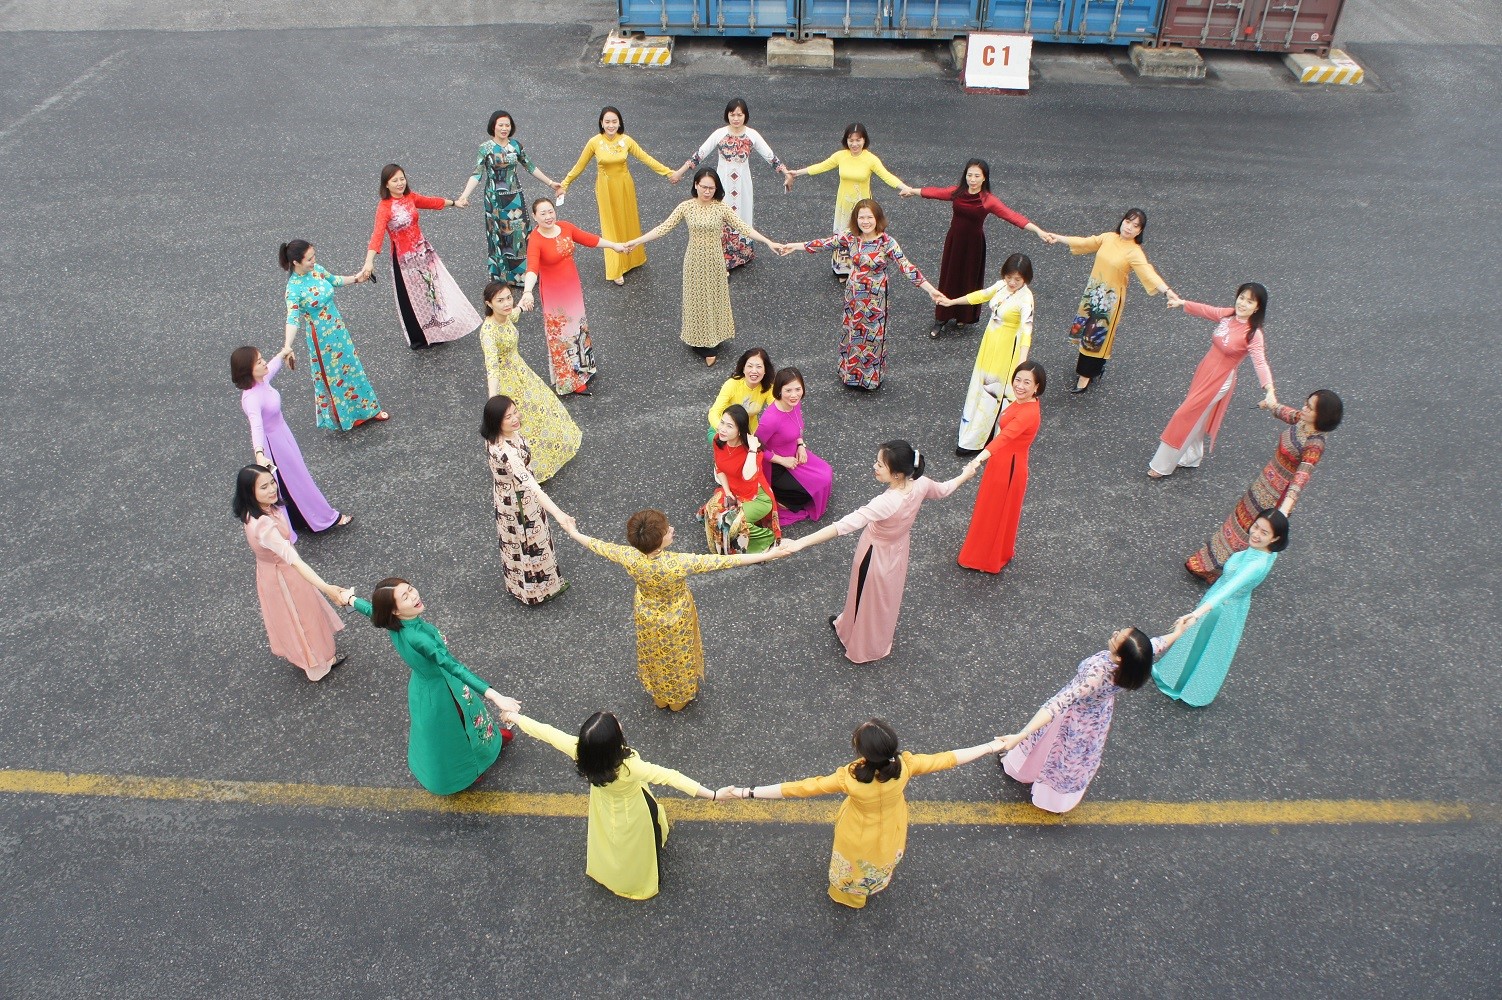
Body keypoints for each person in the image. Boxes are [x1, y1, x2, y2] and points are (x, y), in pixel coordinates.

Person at [727, 719, 1006, 909]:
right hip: (893, 823)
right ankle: (872, 886)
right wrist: (993, 746)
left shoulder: (850, 779)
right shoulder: (906, 766)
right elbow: (949, 758)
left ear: (863, 752)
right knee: (881, 858)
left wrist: (746, 792)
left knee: (852, 867)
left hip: (857, 832)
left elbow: (798, 788)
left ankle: (849, 898)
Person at [560, 509, 786, 710]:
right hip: (676, 617)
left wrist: (573, 532)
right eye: (667, 530)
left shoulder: (629, 556)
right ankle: (678, 699)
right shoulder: (677, 563)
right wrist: (768, 555)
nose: (672, 530)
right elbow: (723, 562)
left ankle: (659, 697)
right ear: (658, 542)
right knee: (678, 656)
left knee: (653, 652)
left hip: (646, 612)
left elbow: (598, 546)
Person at [781, 441, 984, 663]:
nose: (874, 467)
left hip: (874, 554)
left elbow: (843, 525)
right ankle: (873, 640)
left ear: (897, 474)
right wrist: (965, 475)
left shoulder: (886, 502)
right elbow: (944, 490)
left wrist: (800, 543)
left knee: (863, 595)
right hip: (898, 549)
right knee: (885, 598)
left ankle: (857, 643)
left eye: (880, 464)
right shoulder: (921, 484)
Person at [499, 709, 733, 900]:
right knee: (637, 843)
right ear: (613, 743)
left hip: (603, 804)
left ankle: (615, 874)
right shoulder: (629, 767)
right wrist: (713, 795)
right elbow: (672, 777)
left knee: (614, 841)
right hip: (632, 809)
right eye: (616, 724)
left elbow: (548, 733)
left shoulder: (581, 751)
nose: (618, 721)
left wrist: (514, 717)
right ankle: (638, 881)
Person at [997, 620, 1189, 813]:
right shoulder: (1134, 662)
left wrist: (1022, 734)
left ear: (1119, 657)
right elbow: (1156, 645)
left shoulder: (1096, 675)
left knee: (1048, 743)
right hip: (1095, 718)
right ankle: (1055, 799)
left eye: (1118, 636)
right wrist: (1178, 632)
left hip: (1073, 716)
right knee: (1070, 758)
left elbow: (1058, 703)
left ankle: (1024, 769)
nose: (1115, 632)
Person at [351, 578, 519, 794]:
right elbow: (454, 667)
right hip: (445, 691)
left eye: (410, 589)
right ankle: (473, 766)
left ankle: (479, 754)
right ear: (395, 610)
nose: (414, 596)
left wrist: (350, 599)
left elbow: (371, 610)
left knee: (447, 732)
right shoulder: (420, 638)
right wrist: (495, 696)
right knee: (462, 724)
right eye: (405, 597)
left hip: (425, 688)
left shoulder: (394, 623)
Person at [625, 168, 782, 366]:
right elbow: (663, 227)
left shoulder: (721, 208)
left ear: (716, 189)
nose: (707, 191)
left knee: (715, 297)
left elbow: (743, 227)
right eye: (704, 187)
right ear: (696, 185)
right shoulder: (686, 207)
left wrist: (768, 241)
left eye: (711, 188)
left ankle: (714, 337)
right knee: (696, 299)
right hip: (694, 261)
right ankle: (701, 340)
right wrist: (637, 241)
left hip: (715, 261)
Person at [778, 199, 940, 391]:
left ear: (877, 218)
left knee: (873, 337)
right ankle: (849, 374)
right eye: (861, 217)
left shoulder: (887, 243)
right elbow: (825, 243)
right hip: (854, 296)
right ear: (856, 219)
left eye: (869, 217)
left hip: (876, 299)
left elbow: (907, 267)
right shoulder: (850, 237)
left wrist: (930, 289)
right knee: (852, 333)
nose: (865, 222)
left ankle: (870, 379)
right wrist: (795, 246)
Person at [1185, 389, 1342, 582]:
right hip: (1264, 482)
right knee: (1239, 521)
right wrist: (1270, 404)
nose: (1304, 408)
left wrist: (1283, 511)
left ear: (1322, 416)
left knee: (1252, 531)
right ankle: (1213, 563)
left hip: (1277, 495)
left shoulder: (1315, 444)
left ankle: (1227, 573)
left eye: (1310, 408)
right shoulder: (1304, 420)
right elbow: (1287, 413)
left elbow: (1301, 478)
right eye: (1306, 403)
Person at [899, 159, 1047, 336]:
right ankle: (941, 318)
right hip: (954, 242)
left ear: (984, 178)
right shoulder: (958, 192)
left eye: (977, 176)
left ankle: (963, 316)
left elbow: (1012, 216)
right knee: (949, 278)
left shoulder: (988, 200)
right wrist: (912, 191)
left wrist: (1038, 230)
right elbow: (935, 192)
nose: (972, 179)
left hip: (974, 245)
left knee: (968, 279)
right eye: (969, 175)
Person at [233, 466, 353, 682]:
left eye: (272, 482)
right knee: (302, 617)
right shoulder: (265, 526)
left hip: (271, 571)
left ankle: (308, 658)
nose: (272, 489)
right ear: (250, 492)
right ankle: (317, 664)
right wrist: (328, 588)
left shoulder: (253, 513)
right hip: (284, 576)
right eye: (264, 487)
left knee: (292, 618)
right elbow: (293, 560)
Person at [1155, 511, 1287, 706]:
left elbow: (1228, 589)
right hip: (1235, 606)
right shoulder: (1269, 553)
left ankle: (1176, 685)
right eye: (1256, 527)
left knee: (1198, 644)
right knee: (1213, 649)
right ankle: (1195, 689)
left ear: (1275, 538)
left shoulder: (1255, 566)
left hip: (1220, 609)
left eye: (1264, 532)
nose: (1256, 534)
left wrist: (1196, 613)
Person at [1149, 283, 1276, 478]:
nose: (1242, 304)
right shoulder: (1229, 315)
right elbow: (1207, 310)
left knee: (1185, 415)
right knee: (1198, 416)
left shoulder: (1253, 334)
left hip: (1219, 380)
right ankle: (1192, 456)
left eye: (1249, 301)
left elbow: (1260, 362)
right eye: (1241, 297)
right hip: (1205, 370)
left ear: (1257, 307)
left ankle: (1162, 465)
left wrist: (1269, 390)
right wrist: (1182, 303)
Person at [1043, 209, 1175, 393]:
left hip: (1109, 301)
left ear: (1140, 231)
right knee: (1088, 333)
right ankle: (1096, 368)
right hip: (1093, 294)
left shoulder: (1134, 252)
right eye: (1128, 222)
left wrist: (1167, 291)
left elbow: (1148, 273)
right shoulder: (1108, 238)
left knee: (1095, 336)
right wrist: (1058, 238)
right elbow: (1085, 242)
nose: (1129, 227)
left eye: (1135, 226)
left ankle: (1085, 376)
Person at [360, 164, 480, 348]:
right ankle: (419, 337)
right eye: (395, 180)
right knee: (410, 297)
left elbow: (430, 202)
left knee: (431, 290)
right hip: (404, 259)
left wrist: (454, 203)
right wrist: (369, 262)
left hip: (423, 252)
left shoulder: (409, 197)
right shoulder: (384, 207)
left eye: (402, 179)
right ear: (386, 184)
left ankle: (437, 330)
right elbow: (377, 235)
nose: (400, 183)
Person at [231, 345, 349, 533]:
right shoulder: (251, 398)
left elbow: (272, 366)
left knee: (291, 480)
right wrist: (259, 453)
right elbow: (256, 426)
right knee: (297, 479)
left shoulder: (261, 381)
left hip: (282, 436)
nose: (264, 363)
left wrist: (283, 353)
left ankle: (298, 519)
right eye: (259, 362)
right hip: (274, 445)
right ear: (248, 371)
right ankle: (324, 517)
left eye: (262, 359)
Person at [518, 197, 627, 395]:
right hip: (554, 294)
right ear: (534, 216)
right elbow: (532, 267)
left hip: (572, 288)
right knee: (562, 335)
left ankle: (584, 369)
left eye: (550, 211)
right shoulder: (535, 240)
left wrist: (614, 245)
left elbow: (589, 239)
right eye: (543, 213)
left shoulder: (565, 227)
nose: (548, 216)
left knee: (578, 328)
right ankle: (570, 380)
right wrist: (527, 292)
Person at [558, 106, 674, 284]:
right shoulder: (594, 142)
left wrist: (668, 172)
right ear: (601, 123)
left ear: (619, 123)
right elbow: (579, 165)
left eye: (614, 121)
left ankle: (633, 259)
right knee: (610, 225)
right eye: (607, 122)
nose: (611, 125)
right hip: (605, 188)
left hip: (625, 186)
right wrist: (565, 184)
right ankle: (616, 268)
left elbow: (646, 158)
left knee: (628, 220)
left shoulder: (626, 140)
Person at [669, 98, 789, 269]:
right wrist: (680, 172)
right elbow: (699, 154)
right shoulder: (719, 134)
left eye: (740, 115)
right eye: (732, 114)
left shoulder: (752, 135)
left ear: (745, 116)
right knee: (721, 217)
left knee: (743, 216)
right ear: (727, 115)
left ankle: (741, 254)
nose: (736, 118)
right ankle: (721, 256)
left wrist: (786, 173)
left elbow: (771, 157)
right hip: (722, 183)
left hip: (743, 185)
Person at [279, 239, 386, 428]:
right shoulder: (293, 289)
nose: (313, 261)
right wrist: (288, 345)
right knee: (335, 376)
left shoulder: (317, 270)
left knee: (352, 366)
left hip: (337, 328)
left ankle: (368, 409)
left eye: (314, 256)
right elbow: (292, 318)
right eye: (309, 259)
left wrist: (356, 278)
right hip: (321, 338)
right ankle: (348, 416)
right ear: (296, 262)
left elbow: (334, 280)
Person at [478, 282, 581, 480]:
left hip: (521, 372)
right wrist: (493, 400)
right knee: (522, 420)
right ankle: (527, 468)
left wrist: (523, 304)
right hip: (507, 382)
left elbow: (514, 314)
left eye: (509, 297)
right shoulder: (488, 332)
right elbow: (492, 368)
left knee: (540, 410)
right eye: (500, 300)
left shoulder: (506, 315)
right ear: (489, 304)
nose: (507, 303)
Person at [481, 395, 576, 605]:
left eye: (515, 412)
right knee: (531, 543)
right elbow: (532, 487)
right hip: (521, 503)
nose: (515, 418)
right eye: (508, 417)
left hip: (507, 498)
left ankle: (522, 587)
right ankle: (539, 591)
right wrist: (559, 514)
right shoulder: (507, 453)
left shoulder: (495, 438)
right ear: (496, 421)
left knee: (516, 544)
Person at [938, 252, 1035, 455]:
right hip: (990, 343)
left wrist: (1022, 362)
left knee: (992, 390)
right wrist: (952, 302)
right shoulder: (1001, 286)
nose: (1012, 282)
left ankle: (978, 438)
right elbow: (981, 295)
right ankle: (977, 432)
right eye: (1009, 277)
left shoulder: (1026, 299)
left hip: (1006, 349)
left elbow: (1026, 330)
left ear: (1025, 279)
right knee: (981, 384)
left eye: (1017, 279)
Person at [783, 123, 908, 276]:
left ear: (864, 140)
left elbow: (887, 176)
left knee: (862, 233)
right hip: (844, 204)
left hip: (862, 207)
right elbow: (821, 166)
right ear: (846, 140)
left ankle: (861, 267)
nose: (854, 144)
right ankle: (842, 270)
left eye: (858, 140)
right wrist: (796, 173)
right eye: (851, 140)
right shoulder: (840, 156)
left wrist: (905, 187)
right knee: (843, 236)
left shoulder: (871, 159)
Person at [455, 110, 561, 285]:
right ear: (493, 127)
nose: (504, 128)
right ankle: (501, 278)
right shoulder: (485, 148)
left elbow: (530, 166)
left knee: (519, 235)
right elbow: (477, 173)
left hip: (514, 198)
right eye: (501, 125)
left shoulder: (516, 146)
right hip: (494, 200)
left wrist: (551, 183)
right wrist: (464, 196)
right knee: (498, 235)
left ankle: (524, 276)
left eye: (507, 125)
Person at [956, 361, 1044, 574]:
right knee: (993, 511)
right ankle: (992, 554)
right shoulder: (1026, 403)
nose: (1020, 386)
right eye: (1018, 380)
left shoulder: (1028, 413)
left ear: (1037, 387)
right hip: (1005, 463)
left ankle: (982, 559)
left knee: (993, 512)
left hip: (1007, 469)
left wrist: (977, 460)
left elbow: (1005, 437)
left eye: (1027, 382)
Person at [755, 367, 833, 524]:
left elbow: (797, 428)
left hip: (794, 453)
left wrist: (801, 444)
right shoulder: (770, 419)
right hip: (775, 466)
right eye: (788, 390)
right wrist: (782, 460)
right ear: (779, 390)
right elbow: (755, 447)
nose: (794, 395)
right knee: (808, 492)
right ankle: (780, 499)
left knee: (826, 474)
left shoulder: (795, 404)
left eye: (798, 389)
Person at [701, 404, 780, 555]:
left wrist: (752, 449)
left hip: (756, 498)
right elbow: (719, 468)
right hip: (734, 491)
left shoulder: (753, 450)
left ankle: (765, 538)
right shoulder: (718, 440)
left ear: (740, 431)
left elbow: (748, 476)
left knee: (730, 523)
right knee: (712, 513)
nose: (722, 429)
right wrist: (727, 492)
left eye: (729, 426)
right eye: (722, 422)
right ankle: (730, 540)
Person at [705, 347, 774, 439]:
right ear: (743, 368)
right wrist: (722, 429)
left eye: (759, 367)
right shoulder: (732, 384)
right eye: (750, 366)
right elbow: (714, 412)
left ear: (765, 370)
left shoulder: (768, 388)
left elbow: (776, 412)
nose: (754, 371)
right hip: (724, 430)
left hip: (749, 433)